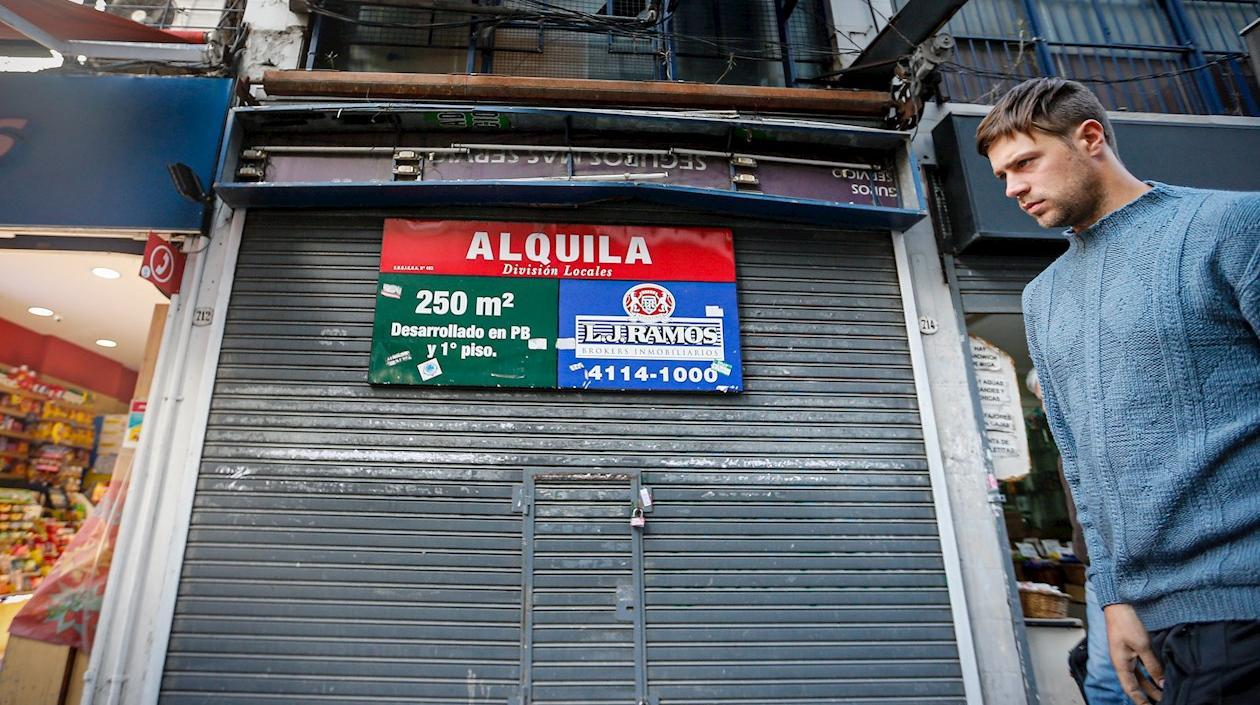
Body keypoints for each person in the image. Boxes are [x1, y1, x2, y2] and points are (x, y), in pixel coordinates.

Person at [975, 77, 1260, 705]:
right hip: (1147, 617)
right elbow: (1080, 465)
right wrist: (1114, 598)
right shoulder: (1041, 297)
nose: (1014, 188)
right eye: (1001, 176)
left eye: (1025, 162)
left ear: (1091, 138)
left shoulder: (1230, 224)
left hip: (1245, 599)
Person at [1028, 368, 1129, 705]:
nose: (1047, 409)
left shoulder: (1108, 435)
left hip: (1131, 563)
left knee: (1116, 675)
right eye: (1041, 401)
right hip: (1099, 570)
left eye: (1048, 396)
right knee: (1105, 678)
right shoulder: (1065, 454)